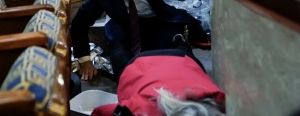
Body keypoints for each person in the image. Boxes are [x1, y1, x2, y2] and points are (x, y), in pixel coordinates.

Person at [71, 0, 209, 81]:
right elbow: (79, 24)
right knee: (124, 67)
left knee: (179, 58)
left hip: (161, 21)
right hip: (125, 28)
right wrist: (85, 61)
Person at [92, 36, 225, 116]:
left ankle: (180, 42)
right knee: (119, 56)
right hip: (139, 67)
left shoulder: (223, 102)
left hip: (183, 62)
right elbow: (100, 112)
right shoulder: (139, 109)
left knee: (120, 56)